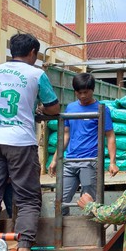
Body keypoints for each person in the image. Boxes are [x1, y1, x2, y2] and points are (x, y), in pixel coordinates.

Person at [0, 33, 60, 251]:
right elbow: (53, 107)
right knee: (27, 198)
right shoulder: (36, 74)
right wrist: (39, 107)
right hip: (20, 142)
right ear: (33, 53)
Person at [49, 73, 118, 215]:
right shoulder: (70, 108)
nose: (82, 96)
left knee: (89, 202)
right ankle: (63, 233)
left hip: (90, 162)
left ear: (92, 90)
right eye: (78, 93)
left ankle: (91, 234)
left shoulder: (101, 109)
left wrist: (112, 162)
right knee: (60, 200)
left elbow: (110, 135)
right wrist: (55, 159)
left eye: (85, 92)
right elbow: (66, 135)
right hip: (71, 160)